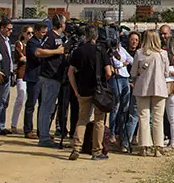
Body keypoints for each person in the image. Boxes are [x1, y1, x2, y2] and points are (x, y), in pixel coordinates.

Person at [66, 26, 113, 160]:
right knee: (99, 120)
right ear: (96, 36)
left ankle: (76, 147)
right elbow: (108, 72)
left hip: (83, 89)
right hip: (98, 90)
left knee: (82, 119)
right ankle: (96, 151)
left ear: (85, 36)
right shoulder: (101, 51)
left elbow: (70, 72)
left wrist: (75, 90)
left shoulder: (78, 51)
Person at [131, 29, 169, 157]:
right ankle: (158, 147)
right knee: (158, 118)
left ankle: (144, 146)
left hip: (142, 87)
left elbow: (133, 72)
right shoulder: (163, 54)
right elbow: (166, 73)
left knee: (143, 116)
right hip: (159, 88)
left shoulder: (139, 53)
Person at [35, 14, 66, 148]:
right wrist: (56, 52)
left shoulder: (59, 37)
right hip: (49, 76)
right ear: (61, 24)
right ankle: (44, 137)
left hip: (56, 76)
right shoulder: (50, 36)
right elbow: (38, 52)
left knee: (50, 107)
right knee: (46, 107)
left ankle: (45, 134)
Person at [109, 35, 133, 153]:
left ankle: (122, 133)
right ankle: (112, 133)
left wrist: (125, 63)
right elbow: (116, 64)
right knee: (116, 106)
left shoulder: (122, 49)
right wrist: (124, 63)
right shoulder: (110, 51)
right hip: (116, 78)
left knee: (125, 106)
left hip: (125, 78)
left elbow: (131, 60)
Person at [22, 23, 46, 138]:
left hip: (43, 77)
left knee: (43, 105)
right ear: (36, 31)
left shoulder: (43, 42)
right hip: (33, 78)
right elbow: (38, 58)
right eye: (42, 32)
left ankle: (41, 130)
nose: (44, 34)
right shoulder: (32, 43)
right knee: (31, 104)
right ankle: (28, 130)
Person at [10, 25, 31, 134]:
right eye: (28, 33)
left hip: (30, 75)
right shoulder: (20, 44)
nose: (30, 35)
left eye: (31, 33)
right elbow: (21, 58)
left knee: (29, 100)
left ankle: (26, 126)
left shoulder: (31, 44)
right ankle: (13, 124)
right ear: (23, 33)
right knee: (20, 98)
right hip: (21, 74)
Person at [122, 31, 141, 151]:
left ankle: (134, 136)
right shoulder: (124, 52)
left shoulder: (139, 54)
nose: (134, 42)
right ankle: (122, 136)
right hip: (126, 82)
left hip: (136, 85)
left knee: (136, 114)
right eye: (132, 39)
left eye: (136, 40)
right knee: (125, 110)